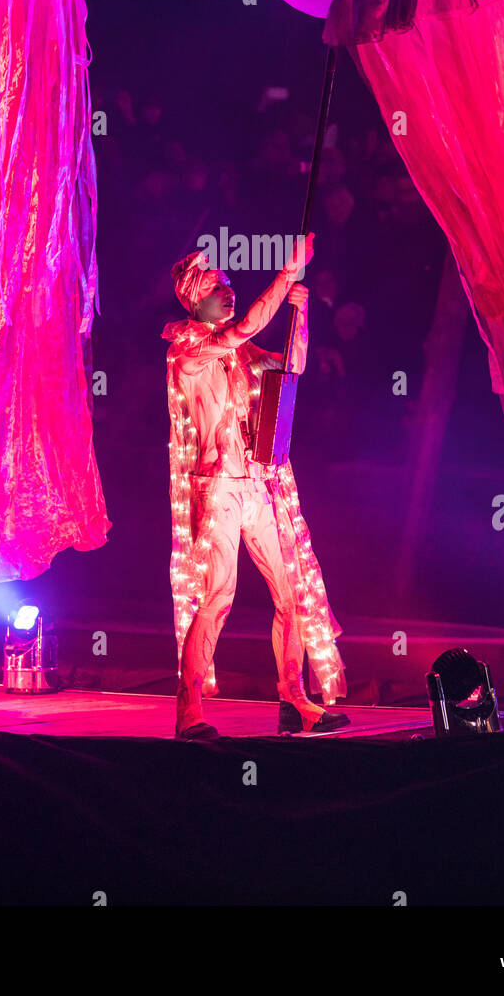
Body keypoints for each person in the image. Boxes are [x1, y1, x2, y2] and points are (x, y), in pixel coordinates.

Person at [162, 234, 348, 739]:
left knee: (290, 593)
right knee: (218, 593)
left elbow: (292, 365)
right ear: (194, 297)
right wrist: (286, 274)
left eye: (230, 284)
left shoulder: (241, 355)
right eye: (219, 286)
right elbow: (243, 328)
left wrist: (300, 314)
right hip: (216, 488)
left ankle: (294, 698)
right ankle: (189, 711)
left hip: (255, 485)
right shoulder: (189, 352)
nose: (229, 291)